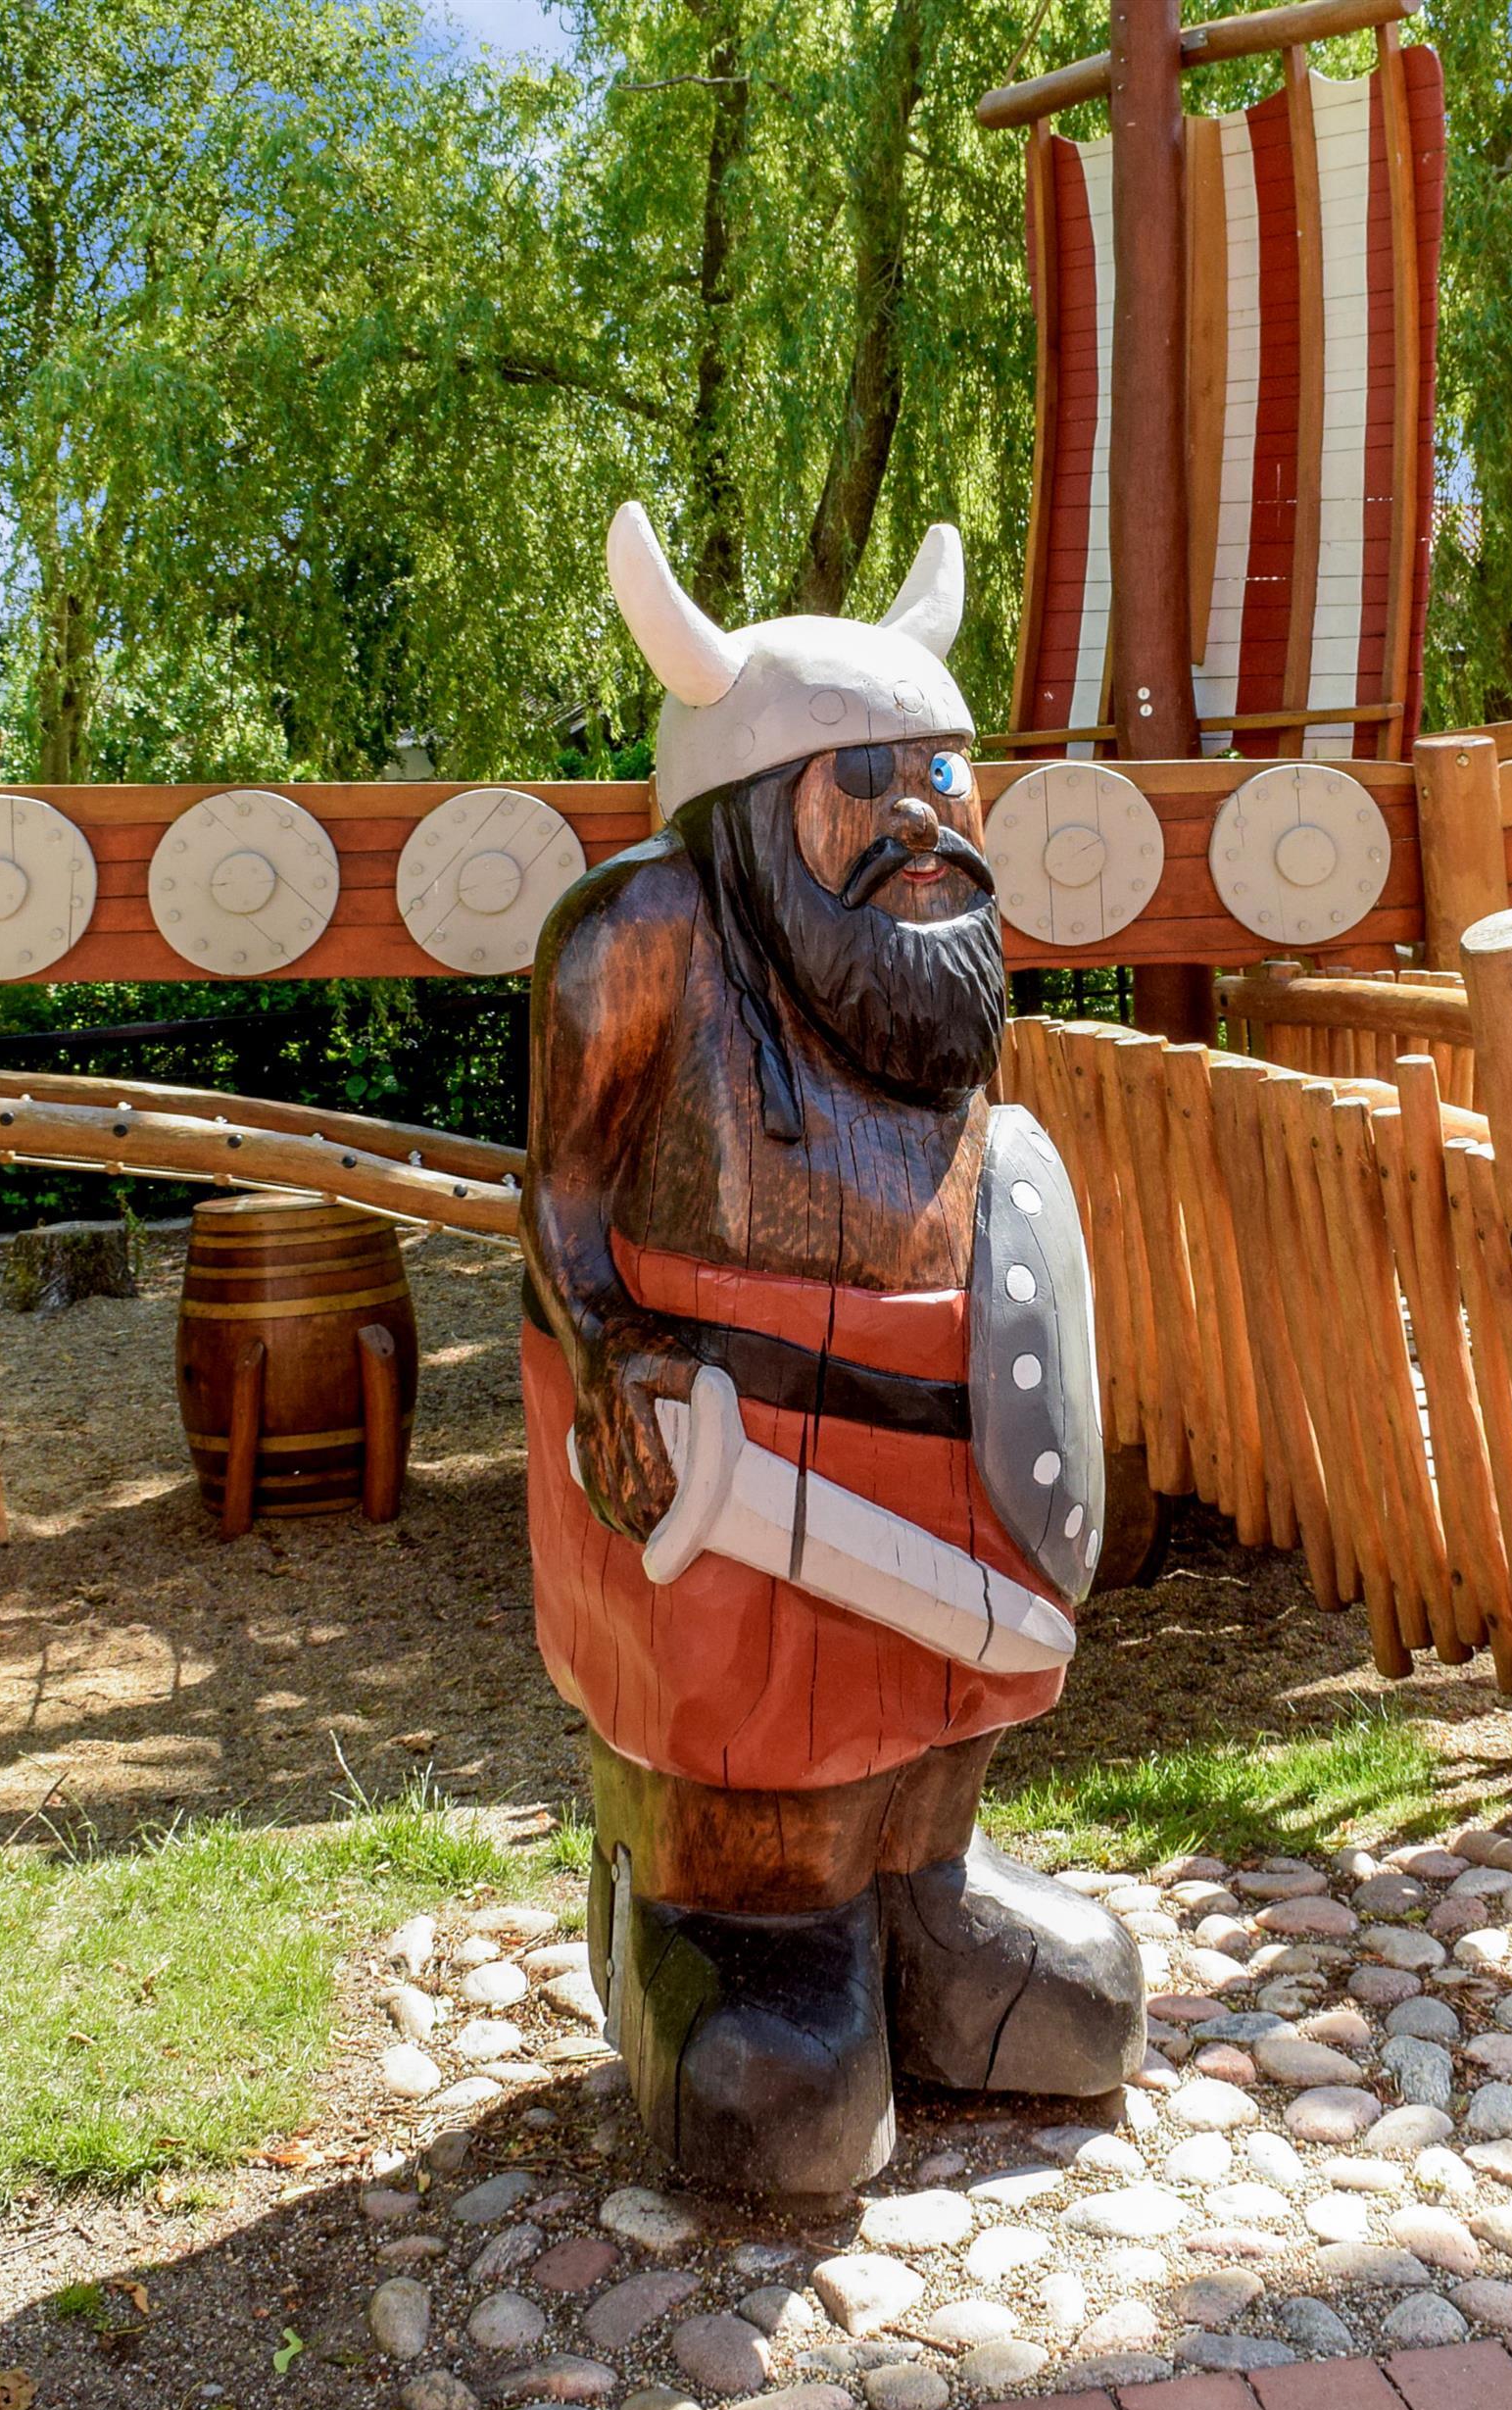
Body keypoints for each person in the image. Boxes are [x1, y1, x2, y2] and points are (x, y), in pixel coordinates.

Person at [518, 504, 1142, 2200]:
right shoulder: (649, 928)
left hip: (930, 1415)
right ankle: (735, 1929)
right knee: (761, 1741)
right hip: (735, 1434)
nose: (921, 817)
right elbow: (563, 1191)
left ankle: (927, 1891)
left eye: (941, 775)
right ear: (754, 804)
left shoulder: (936, 952)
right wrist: (606, 1338)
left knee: (948, 1690)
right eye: (864, 783)